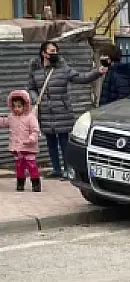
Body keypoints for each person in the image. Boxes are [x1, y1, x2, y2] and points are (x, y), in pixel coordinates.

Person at [29, 41, 106, 179]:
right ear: (43, 53)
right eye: (51, 51)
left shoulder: (63, 68)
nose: (54, 54)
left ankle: (67, 170)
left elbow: (81, 78)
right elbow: (31, 88)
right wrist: (35, 99)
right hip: (45, 112)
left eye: (56, 51)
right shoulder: (35, 70)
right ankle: (56, 169)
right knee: (51, 142)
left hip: (62, 112)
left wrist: (97, 72)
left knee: (64, 142)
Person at [0, 90, 42, 192]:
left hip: (29, 147)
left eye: (19, 106)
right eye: (14, 106)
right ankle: (20, 183)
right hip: (17, 148)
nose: (16, 109)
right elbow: (4, 122)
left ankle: (36, 184)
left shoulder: (31, 117)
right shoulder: (11, 117)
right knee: (19, 166)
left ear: (25, 105)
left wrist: (31, 139)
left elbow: (35, 130)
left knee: (32, 166)